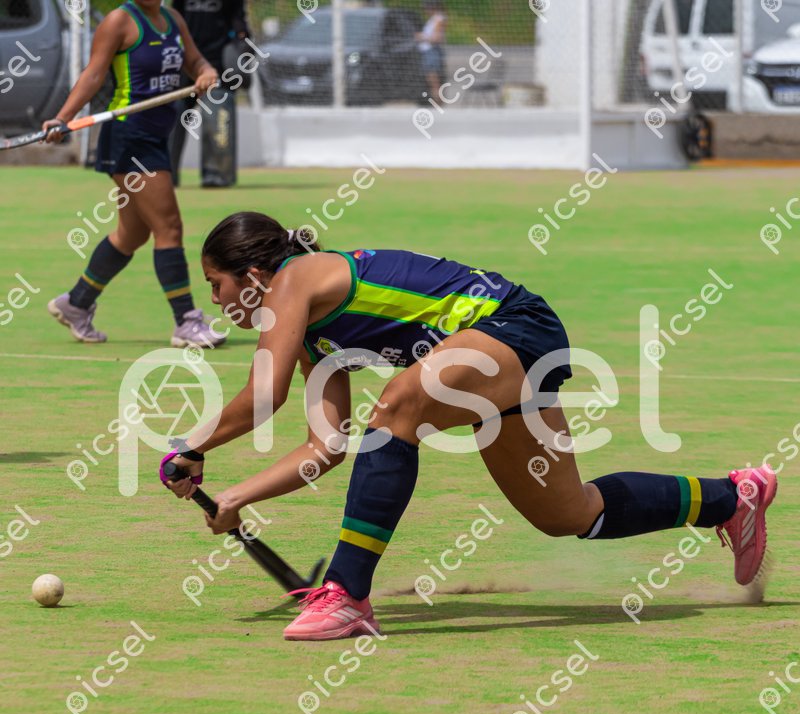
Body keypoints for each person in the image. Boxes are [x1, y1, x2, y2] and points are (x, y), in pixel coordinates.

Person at [161, 212, 777, 642]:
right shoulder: (314, 338)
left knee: (396, 408)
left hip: (512, 326)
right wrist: (238, 496)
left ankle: (347, 594)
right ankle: (732, 498)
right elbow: (326, 447)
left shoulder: (293, 280)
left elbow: (262, 396)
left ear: (254, 274)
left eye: (217, 284)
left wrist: (191, 445)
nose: (216, 301)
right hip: (493, 358)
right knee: (569, 513)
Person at [43, 0, 227, 348]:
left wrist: (205, 72)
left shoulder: (173, 19)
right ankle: (186, 322)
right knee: (169, 227)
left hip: (156, 136)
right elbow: (94, 74)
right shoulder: (119, 21)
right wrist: (63, 118)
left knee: (131, 235)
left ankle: (76, 303)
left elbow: (195, 61)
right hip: (129, 137)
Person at [169, 0, 251, 188]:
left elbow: (239, 24)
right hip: (182, 66)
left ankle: (217, 174)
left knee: (218, 118)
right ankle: (165, 173)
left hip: (218, 68)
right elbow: (173, 21)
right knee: (172, 118)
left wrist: (242, 45)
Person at [416, 0, 447, 99]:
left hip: (432, 52)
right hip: (428, 52)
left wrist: (422, 37)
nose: (425, 10)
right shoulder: (433, 19)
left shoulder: (438, 19)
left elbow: (437, 38)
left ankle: (437, 103)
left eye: (426, 8)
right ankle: (436, 102)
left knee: (434, 83)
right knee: (432, 82)